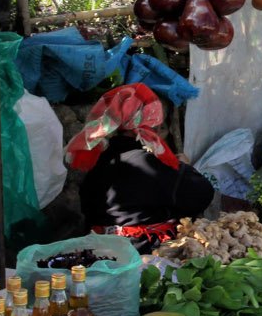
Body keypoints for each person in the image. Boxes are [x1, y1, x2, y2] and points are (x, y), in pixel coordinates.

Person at [69, 83, 214, 250]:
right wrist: (186, 167)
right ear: (154, 124)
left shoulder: (101, 160)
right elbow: (203, 194)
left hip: (98, 249)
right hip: (143, 253)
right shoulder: (153, 166)